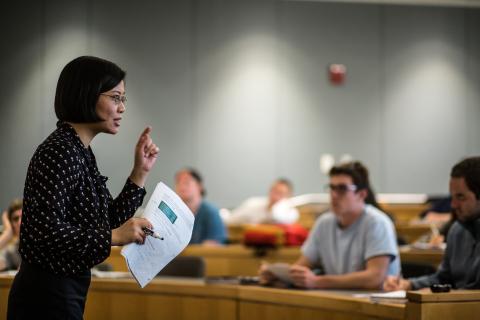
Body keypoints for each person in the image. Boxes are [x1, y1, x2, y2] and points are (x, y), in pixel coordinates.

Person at [7, 56, 159, 319]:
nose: (122, 107)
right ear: (87, 95)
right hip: (45, 294)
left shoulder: (80, 151)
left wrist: (140, 172)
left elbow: (105, 220)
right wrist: (114, 236)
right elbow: (46, 232)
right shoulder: (60, 151)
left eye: (124, 99)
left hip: (65, 289)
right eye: (115, 97)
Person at [259, 161, 400, 289]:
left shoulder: (378, 223)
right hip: (340, 300)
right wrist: (277, 275)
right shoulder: (324, 223)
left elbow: (374, 278)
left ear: (361, 194)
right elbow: (301, 267)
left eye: (342, 189)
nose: (333, 194)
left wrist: (317, 282)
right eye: (331, 188)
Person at [383, 157, 480, 291]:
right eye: (452, 197)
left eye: (461, 197)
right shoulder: (457, 230)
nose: (453, 205)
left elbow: (475, 291)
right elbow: (443, 279)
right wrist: (409, 285)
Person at [175, 168, 227, 245]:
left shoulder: (211, 212)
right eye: (178, 182)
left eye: (186, 182)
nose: (182, 186)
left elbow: (215, 243)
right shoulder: (176, 213)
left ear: (199, 186)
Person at [226, 178, 299, 225]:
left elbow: (277, 217)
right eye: (274, 191)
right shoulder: (253, 203)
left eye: (280, 193)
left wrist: (279, 205)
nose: (275, 196)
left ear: (288, 196)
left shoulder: (291, 213)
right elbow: (231, 219)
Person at [0, 199, 23, 271]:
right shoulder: (11, 249)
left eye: (23, 216)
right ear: (11, 223)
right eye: (16, 219)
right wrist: (8, 232)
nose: (20, 222)